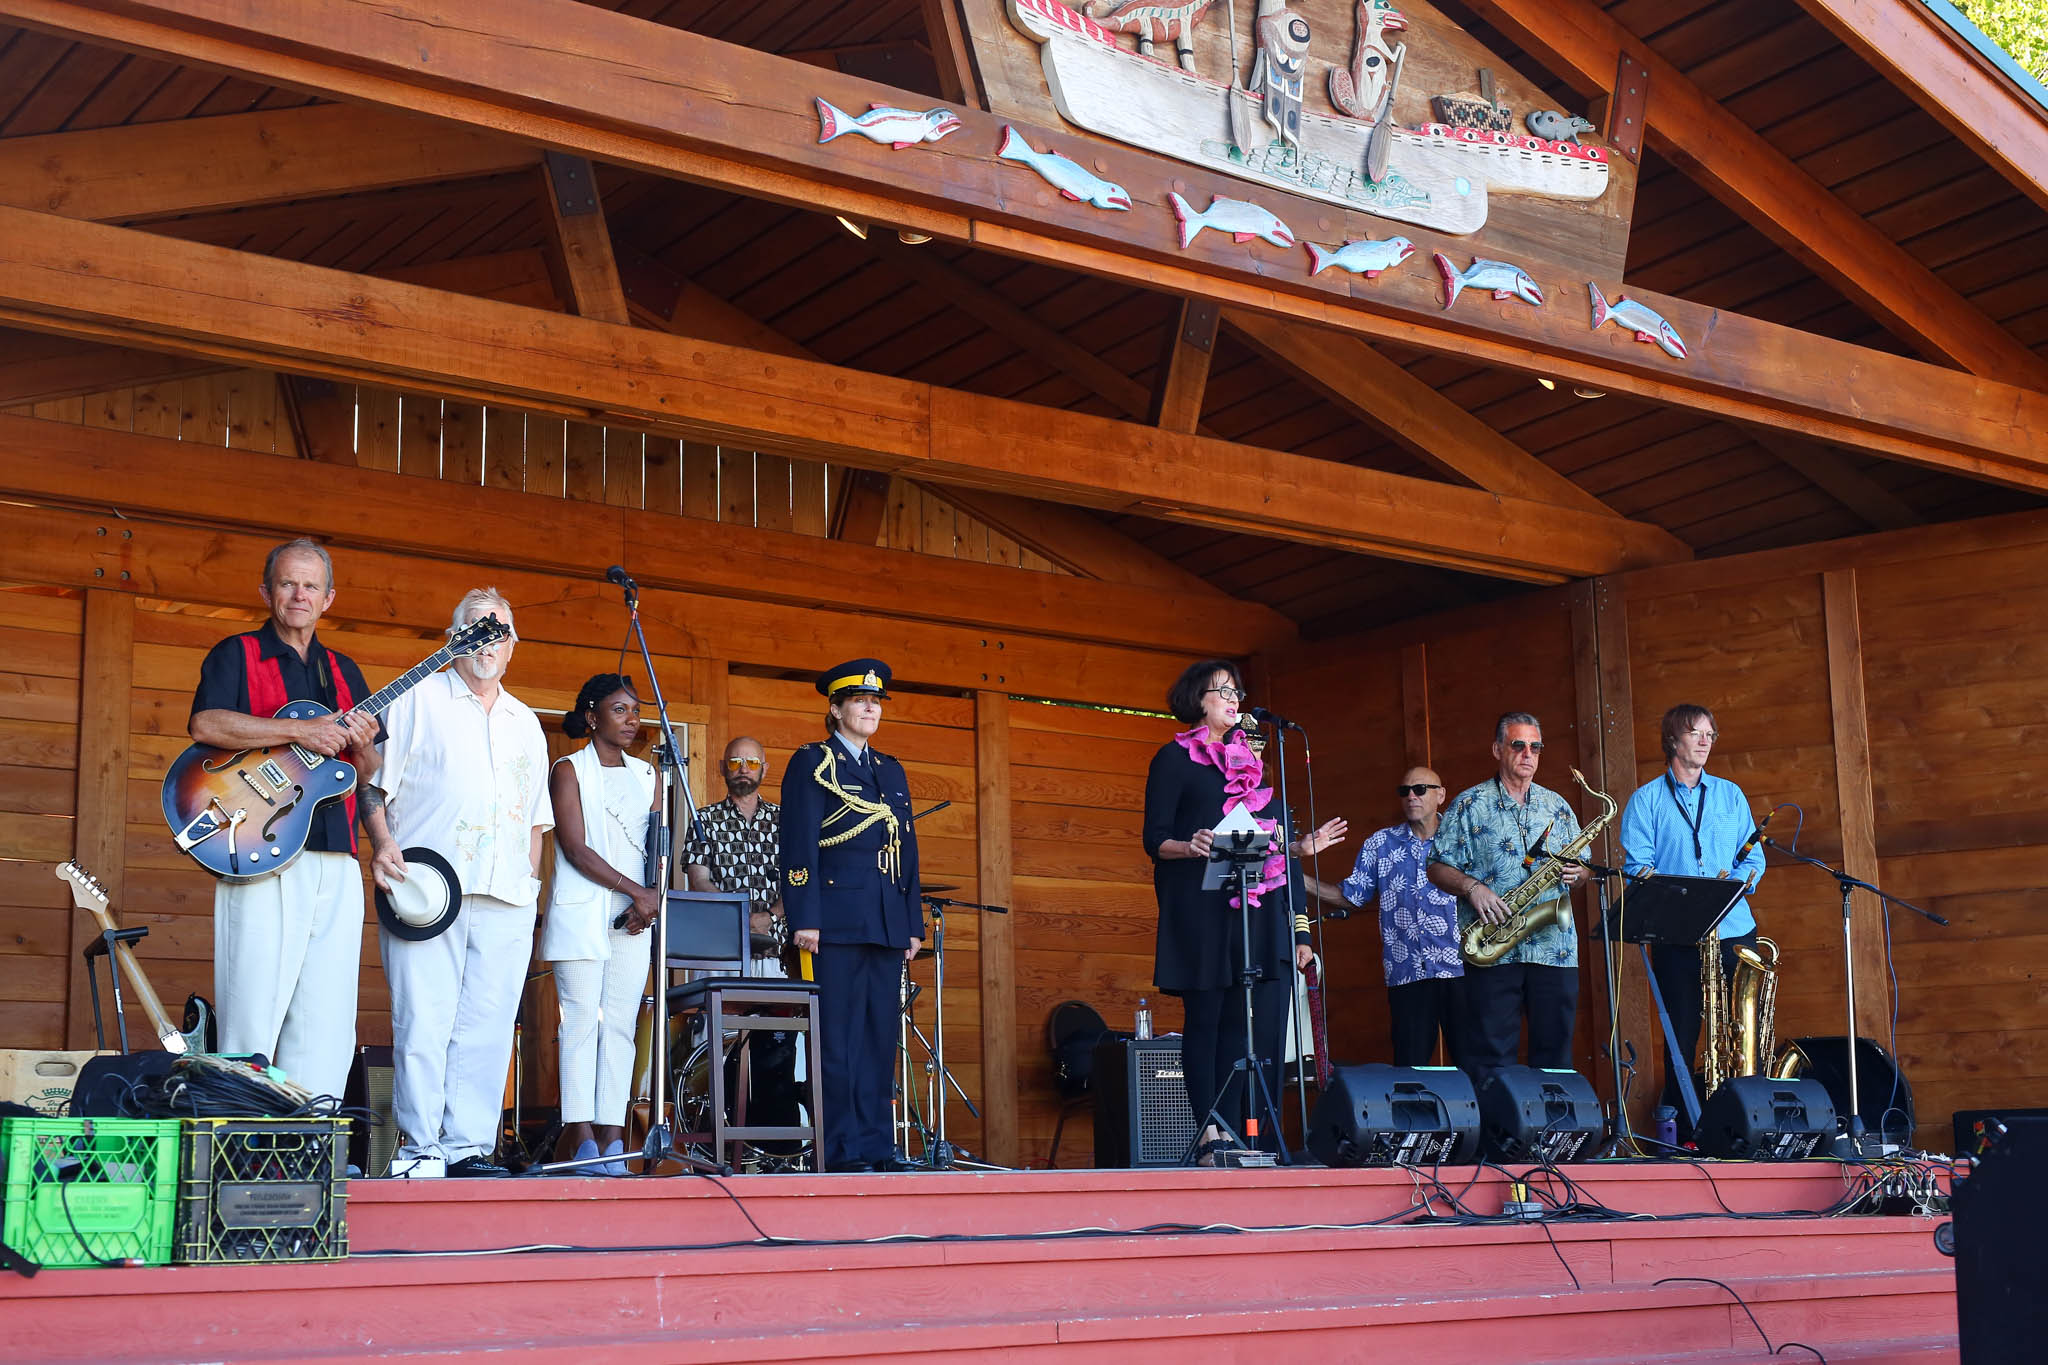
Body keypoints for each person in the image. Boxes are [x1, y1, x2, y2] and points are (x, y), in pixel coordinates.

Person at [362, 588, 552, 1178]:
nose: (487, 641)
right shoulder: (415, 700)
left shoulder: (527, 723)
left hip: (507, 896)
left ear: (513, 645)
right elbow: (372, 786)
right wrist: (381, 844)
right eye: (475, 628)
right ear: (453, 639)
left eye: (499, 631)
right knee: (424, 1021)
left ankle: (467, 1148)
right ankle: (419, 1150)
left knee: (488, 1028)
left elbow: (535, 820)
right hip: (426, 892)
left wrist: (530, 885)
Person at [187, 538, 379, 1101]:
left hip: (336, 855)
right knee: (251, 1010)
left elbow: (368, 772)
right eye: (288, 583)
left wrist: (365, 747)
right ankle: (241, 1133)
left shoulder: (345, 671)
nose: (299, 595)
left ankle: (310, 1137)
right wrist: (299, 730)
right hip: (256, 847)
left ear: (328, 598)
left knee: (328, 1018)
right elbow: (206, 724)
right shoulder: (237, 652)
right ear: (266, 591)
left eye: (310, 586)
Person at [1142, 659, 1345, 1162]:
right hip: (1198, 906)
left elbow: (1260, 843)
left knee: (1240, 1021)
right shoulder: (1174, 759)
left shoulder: (1248, 762)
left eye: (1237, 692)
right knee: (1206, 1017)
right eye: (1223, 692)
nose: (1234, 700)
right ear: (1198, 700)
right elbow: (1154, 839)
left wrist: (1297, 849)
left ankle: (1234, 1131)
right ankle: (1207, 1132)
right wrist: (1188, 845)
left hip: (1248, 910)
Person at [778, 659, 923, 1173]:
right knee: (837, 1040)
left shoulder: (891, 769)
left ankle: (878, 1146)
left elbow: (907, 851)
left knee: (879, 1038)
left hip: (885, 923)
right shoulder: (812, 762)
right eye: (859, 700)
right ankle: (842, 1150)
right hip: (833, 923)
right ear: (836, 709)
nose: (870, 708)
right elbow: (798, 844)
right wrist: (804, 916)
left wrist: (911, 923)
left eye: (875, 701)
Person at [1618, 703, 1765, 1135]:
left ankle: (1750, 1126)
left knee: (1745, 1033)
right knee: (1681, 1038)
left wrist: (1731, 886)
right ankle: (1687, 1135)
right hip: (1677, 936)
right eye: (1695, 733)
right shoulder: (1646, 800)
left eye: (1710, 734)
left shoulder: (1731, 794)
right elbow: (1638, 868)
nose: (1705, 741)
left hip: (1733, 930)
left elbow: (1753, 859)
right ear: (1672, 740)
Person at [540, 673, 659, 1176]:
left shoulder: (648, 774)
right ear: (591, 717)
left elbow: (657, 845)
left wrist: (649, 898)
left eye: (635, 711)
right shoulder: (568, 769)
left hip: (636, 917)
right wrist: (637, 891)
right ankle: (581, 1136)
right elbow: (574, 847)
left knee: (622, 1026)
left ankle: (613, 1137)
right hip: (583, 911)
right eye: (619, 710)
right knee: (581, 1021)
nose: (631, 720)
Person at [1428, 712, 1587, 1075]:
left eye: (1535, 747)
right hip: (1493, 950)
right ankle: (1498, 1115)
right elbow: (1435, 866)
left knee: (1556, 1059)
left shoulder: (1558, 806)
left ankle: (1552, 1115)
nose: (1528, 754)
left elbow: (1585, 870)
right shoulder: (1469, 804)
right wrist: (1472, 888)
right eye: (1518, 745)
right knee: (1491, 1060)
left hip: (1554, 951)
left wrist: (1580, 873)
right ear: (1497, 749)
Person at [1307, 766, 1465, 1066]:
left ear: (1441, 795)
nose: (1411, 796)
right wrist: (1296, 877)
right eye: (1404, 791)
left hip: (1462, 968)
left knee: (1473, 1067)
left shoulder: (1463, 838)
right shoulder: (1380, 844)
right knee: (1410, 1069)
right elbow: (1350, 896)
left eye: (1420, 789)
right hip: (1407, 973)